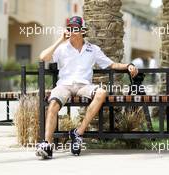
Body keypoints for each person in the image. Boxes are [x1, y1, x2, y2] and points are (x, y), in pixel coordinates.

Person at [35, 16, 138, 159]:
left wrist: (128, 66)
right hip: (64, 85)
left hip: (84, 85)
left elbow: (111, 64)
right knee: (53, 104)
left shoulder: (92, 49)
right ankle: (47, 144)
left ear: (82, 30)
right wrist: (60, 40)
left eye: (75, 28)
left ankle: (78, 133)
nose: (72, 31)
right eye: (70, 28)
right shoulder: (62, 48)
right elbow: (42, 57)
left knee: (101, 93)